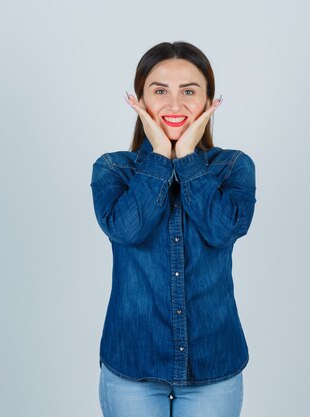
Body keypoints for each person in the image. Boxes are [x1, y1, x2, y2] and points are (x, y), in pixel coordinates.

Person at [90, 41, 257, 417]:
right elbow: (128, 230)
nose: (175, 105)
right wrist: (159, 158)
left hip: (213, 365)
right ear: (140, 101)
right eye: (160, 91)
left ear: (209, 101)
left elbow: (221, 230)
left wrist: (186, 160)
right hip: (131, 365)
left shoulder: (233, 167)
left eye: (189, 91)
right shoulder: (112, 169)